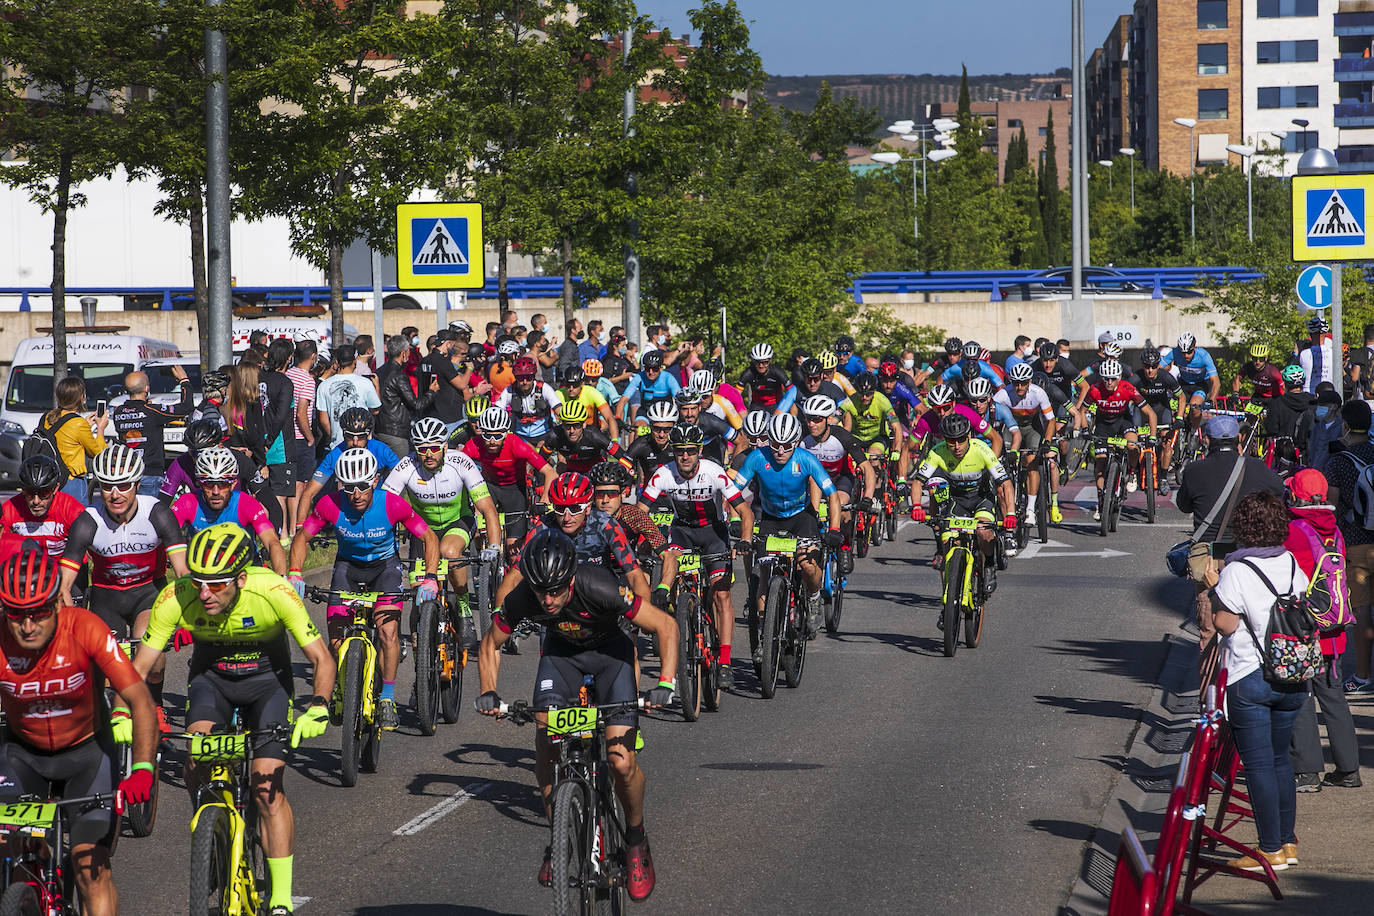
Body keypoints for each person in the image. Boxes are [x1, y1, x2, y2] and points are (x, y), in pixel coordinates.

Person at [132, 523, 335, 916]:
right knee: (196, 757)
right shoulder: (177, 596)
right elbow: (137, 669)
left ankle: (279, 897)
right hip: (213, 681)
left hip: (267, 684)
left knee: (266, 788)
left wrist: (320, 705)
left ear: (241, 578)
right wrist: (123, 712)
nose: (204, 593)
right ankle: (208, 826)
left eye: (218, 583)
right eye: (199, 582)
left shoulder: (273, 591)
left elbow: (321, 659)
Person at [476, 530, 679, 903]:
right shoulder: (525, 596)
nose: (548, 600)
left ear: (571, 578)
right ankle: (559, 842)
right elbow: (490, 643)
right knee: (546, 744)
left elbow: (665, 626)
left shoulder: (600, 586)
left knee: (620, 761)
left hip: (610, 657)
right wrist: (489, 691)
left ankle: (635, 839)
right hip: (561, 659)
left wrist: (665, 682)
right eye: (541, 592)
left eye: (556, 590)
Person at [0, 543, 158, 916]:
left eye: (38, 613)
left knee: (91, 869)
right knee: (11, 855)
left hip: (87, 755)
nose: (27, 626)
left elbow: (140, 700)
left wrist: (144, 770)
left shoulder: (85, 628)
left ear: (56, 603)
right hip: (22, 754)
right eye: (16, 614)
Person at [290, 449, 438, 731]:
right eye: (348, 487)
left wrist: (430, 577)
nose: (356, 494)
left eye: (362, 486)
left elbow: (429, 537)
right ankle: (341, 689)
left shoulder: (393, 504)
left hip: (385, 568)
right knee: (335, 639)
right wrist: (295, 573)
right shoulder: (330, 505)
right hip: (348, 567)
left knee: (387, 632)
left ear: (375, 481)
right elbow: (302, 538)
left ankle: (387, 698)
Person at [1202, 491, 1310, 873]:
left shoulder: (1236, 571)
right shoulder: (1291, 561)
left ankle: (1269, 849)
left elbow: (1225, 624)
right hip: (1292, 676)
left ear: (1244, 528)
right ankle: (1287, 841)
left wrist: (1215, 588)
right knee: (1281, 761)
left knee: (1259, 765)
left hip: (1251, 676)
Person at [59, 445, 190, 722]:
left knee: (150, 658)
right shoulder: (88, 521)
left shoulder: (157, 513)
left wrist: (189, 618)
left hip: (147, 594)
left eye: (124, 485)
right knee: (109, 673)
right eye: (107, 487)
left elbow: (183, 572)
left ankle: (155, 707)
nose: (115, 494)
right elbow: (63, 586)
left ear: (137, 485)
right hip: (107, 600)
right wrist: (71, 624)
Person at [1176, 415, 1285, 680]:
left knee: (1209, 628)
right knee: (1248, 622)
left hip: (1209, 558)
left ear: (1207, 440)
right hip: (1245, 556)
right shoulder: (1256, 468)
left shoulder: (1194, 470)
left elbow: (1184, 505)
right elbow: (1280, 489)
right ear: (1238, 439)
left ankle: (1210, 703)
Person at [642, 424, 752, 679]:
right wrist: (642, 540)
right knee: (670, 565)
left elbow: (744, 511)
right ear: (673, 451)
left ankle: (724, 661)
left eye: (691, 451)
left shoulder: (714, 472)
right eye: (680, 451)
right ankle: (672, 605)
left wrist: (745, 540)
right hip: (682, 532)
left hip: (713, 534)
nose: (685, 456)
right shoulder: (663, 474)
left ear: (699, 450)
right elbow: (640, 512)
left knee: (721, 594)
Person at [382, 416, 502, 647]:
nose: (429, 454)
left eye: (435, 447)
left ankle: (464, 607)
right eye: (423, 449)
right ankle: (421, 640)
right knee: (419, 592)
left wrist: (495, 546)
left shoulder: (461, 463)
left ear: (445, 446)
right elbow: (385, 504)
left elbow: (488, 509)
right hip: (422, 530)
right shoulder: (406, 465)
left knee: (449, 550)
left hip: (457, 521)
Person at [1280, 469, 1361, 791]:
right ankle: (1349, 769)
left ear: (1296, 496)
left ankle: (1307, 771)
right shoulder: (1334, 531)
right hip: (1334, 631)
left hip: (1304, 629)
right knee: (1334, 699)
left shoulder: (1294, 531)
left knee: (1300, 697)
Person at [732, 413, 843, 633]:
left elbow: (832, 495)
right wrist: (736, 519)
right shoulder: (757, 458)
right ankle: (765, 628)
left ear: (795, 442)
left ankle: (813, 598)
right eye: (775, 444)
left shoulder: (806, 459)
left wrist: (835, 529)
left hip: (801, 518)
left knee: (807, 565)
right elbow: (733, 491)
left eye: (787, 445)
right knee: (764, 572)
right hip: (771, 519)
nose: (780, 451)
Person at [909, 412, 1016, 600]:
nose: (956, 446)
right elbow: (918, 482)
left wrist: (1011, 514)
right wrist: (917, 506)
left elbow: (1006, 484)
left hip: (981, 498)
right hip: (956, 501)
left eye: (960, 440)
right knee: (947, 541)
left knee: (983, 532)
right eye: (951, 441)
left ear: (969, 436)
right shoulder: (937, 452)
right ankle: (949, 596)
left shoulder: (982, 449)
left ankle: (989, 564)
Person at [1322, 399, 1374, 692]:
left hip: (1354, 546)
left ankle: (1363, 675)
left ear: (1344, 425)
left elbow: (1329, 507)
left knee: (1363, 612)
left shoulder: (1338, 462)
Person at [171, 447, 288, 574]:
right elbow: (166, 536)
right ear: (200, 483)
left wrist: (282, 579)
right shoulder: (187, 503)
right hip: (205, 573)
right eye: (209, 484)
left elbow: (272, 542)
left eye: (223, 484)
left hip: (247, 569)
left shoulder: (245, 504)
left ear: (233, 484)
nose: (216, 492)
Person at [462, 406, 557, 557]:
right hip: (488, 487)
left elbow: (550, 472)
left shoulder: (516, 444)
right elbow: (456, 470)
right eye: (487, 435)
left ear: (506, 433)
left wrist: (545, 498)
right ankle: (481, 572)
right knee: (478, 532)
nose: (492, 441)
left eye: (498, 436)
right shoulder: (474, 444)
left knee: (514, 550)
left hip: (514, 490)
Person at [110, 364, 193, 497]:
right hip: (150, 474)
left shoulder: (118, 412)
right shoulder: (152, 411)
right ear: (147, 388)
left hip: (128, 475)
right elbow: (187, 407)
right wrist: (184, 380)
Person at [298, 408, 400, 514]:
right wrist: (300, 526)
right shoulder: (335, 454)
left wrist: (393, 507)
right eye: (350, 436)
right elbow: (308, 494)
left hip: (378, 506)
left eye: (360, 437)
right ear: (343, 434)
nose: (355, 442)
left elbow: (401, 477)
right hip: (349, 510)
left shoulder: (381, 450)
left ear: (368, 435)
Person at [1, 456, 86, 559]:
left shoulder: (71, 509)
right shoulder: (10, 508)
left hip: (62, 569)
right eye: (29, 492)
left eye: (44, 493)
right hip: (26, 568)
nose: (36, 501)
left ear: (55, 488)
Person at [41, 375, 108, 500]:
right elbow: (98, 452)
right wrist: (100, 429)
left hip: (50, 478)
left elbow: (64, 435)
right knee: (78, 517)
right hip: (71, 480)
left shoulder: (47, 417)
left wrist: (85, 426)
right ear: (81, 397)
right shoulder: (78, 423)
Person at [377, 333, 438, 457]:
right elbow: (416, 404)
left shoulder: (380, 370)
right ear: (403, 353)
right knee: (400, 470)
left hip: (380, 428)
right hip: (396, 432)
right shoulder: (399, 375)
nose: (409, 355)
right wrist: (432, 392)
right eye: (408, 352)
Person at [260, 339, 299, 531]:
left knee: (261, 493)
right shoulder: (285, 382)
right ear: (288, 358)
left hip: (258, 443)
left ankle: (267, 532)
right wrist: (269, 440)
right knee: (279, 494)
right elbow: (282, 415)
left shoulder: (259, 378)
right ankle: (282, 534)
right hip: (279, 446)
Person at [316, 345, 380, 449]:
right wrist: (377, 387)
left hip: (337, 445)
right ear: (355, 362)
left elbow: (323, 419)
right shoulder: (365, 383)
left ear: (337, 362)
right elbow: (375, 410)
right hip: (361, 443)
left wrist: (335, 437)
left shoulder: (324, 385)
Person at [286, 341, 320, 537]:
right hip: (301, 438)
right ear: (313, 356)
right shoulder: (307, 380)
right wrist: (310, 437)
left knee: (292, 485)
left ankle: (290, 527)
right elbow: (301, 413)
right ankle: (297, 527)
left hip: (287, 438)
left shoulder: (288, 374)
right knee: (301, 485)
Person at [739, 344, 792, 413]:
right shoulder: (748, 373)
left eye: (765, 362)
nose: (761, 366)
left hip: (776, 405)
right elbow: (736, 394)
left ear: (770, 361)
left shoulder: (777, 372)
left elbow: (792, 392)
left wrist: (789, 411)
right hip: (756, 406)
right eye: (757, 362)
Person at [1299, 315, 1335, 394]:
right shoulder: (1333, 353)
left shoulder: (1304, 354)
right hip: (1328, 393)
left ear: (1310, 334)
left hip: (1309, 393)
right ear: (1326, 334)